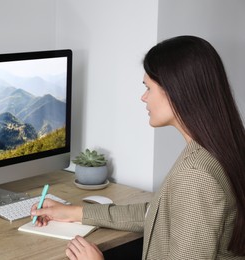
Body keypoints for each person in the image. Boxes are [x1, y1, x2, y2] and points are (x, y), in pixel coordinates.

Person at [31, 35, 245, 259]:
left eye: (148, 88)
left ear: (176, 92)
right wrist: (76, 212)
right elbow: (158, 214)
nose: (143, 97)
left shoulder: (195, 176)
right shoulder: (215, 150)